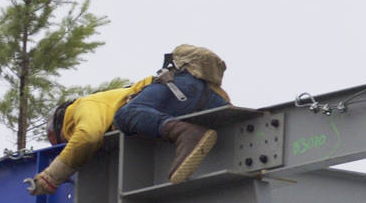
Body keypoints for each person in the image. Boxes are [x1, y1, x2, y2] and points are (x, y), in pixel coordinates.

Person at [28, 45, 231, 193]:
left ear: (64, 122)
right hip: (210, 96)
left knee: (125, 116)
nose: (69, 146)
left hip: (175, 87)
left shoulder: (84, 105)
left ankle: (185, 133)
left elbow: (88, 136)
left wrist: (51, 177)